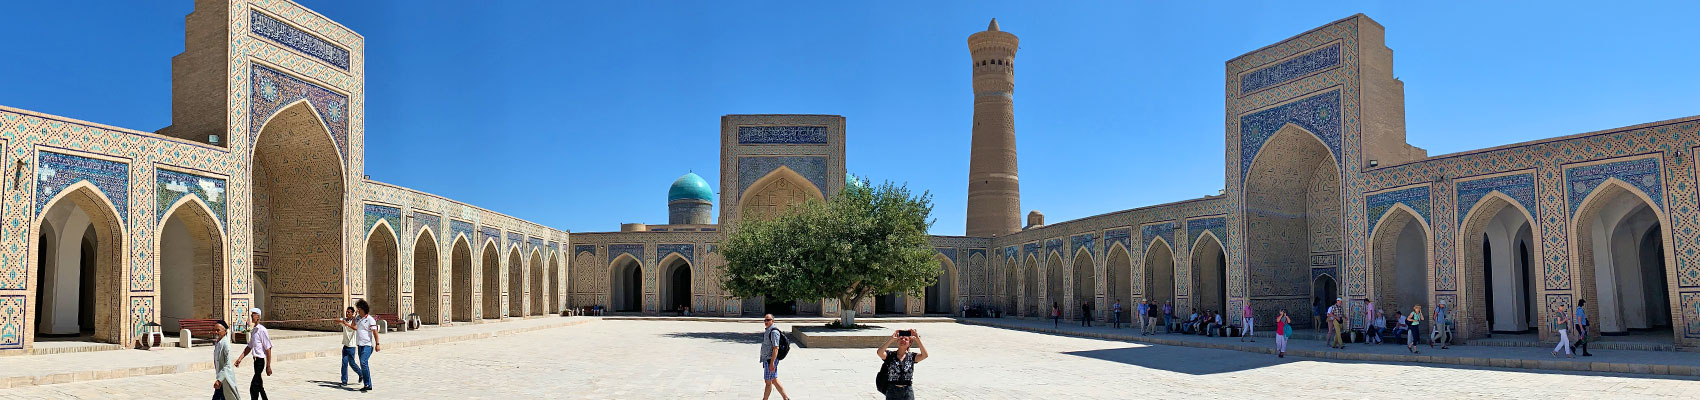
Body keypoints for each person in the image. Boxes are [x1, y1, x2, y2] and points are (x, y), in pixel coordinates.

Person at [877, 329, 929, 400]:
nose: (903, 340)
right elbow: (879, 352)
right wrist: (891, 339)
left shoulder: (911, 356)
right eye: (901, 338)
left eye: (906, 339)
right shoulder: (890, 355)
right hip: (892, 390)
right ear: (897, 341)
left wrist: (918, 339)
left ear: (909, 343)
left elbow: (925, 355)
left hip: (907, 391)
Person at [234, 308, 272, 400]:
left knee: (253, 387)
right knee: (259, 386)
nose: (251, 316)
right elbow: (249, 347)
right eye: (251, 314)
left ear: (258, 317)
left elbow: (268, 348)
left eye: (253, 314)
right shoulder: (254, 330)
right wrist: (240, 359)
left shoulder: (262, 330)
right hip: (255, 362)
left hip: (260, 362)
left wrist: (268, 366)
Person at [760, 314, 790, 400]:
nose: (766, 322)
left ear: (772, 321)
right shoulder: (768, 330)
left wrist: (772, 362)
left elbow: (776, 348)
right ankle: (786, 398)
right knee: (774, 380)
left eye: (768, 320)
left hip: (770, 359)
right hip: (767, 359)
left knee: (768, 382)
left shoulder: (774, 332)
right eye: (765, 320)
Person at [353, 299, 381, 392]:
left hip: (367, 345)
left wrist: (377, 344)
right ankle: (367, 384)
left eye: (358, 309)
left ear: (362, 309)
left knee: (363, 362)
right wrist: (354, 316)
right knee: (363, 364)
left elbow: (375, 332)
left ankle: (368, 384)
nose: (357, 310)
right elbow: (353, 326)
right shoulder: (358, 318)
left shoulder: (370, 319)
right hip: (360, 345)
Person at [210, 320, 239, 400]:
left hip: (225, 379)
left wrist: (219, 380)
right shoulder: (218, 343)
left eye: (218, 330)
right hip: (221, 379)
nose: (216, 332)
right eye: (215, 330)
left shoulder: (225, 344)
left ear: (225, 331)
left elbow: (227, 364)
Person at [334, 306, 362, 386]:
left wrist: (347, 324)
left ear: (352, 313)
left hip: (352, 346)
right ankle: (344, 381)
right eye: (346, 312)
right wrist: (342, 320)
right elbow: (335, 320)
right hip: (345, 346)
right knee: (344, 364)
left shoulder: (355, 321)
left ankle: (361, 373)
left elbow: (355, 328)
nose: (347, 313)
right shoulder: (344, 320)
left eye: (349, 312)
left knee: (352, 363)